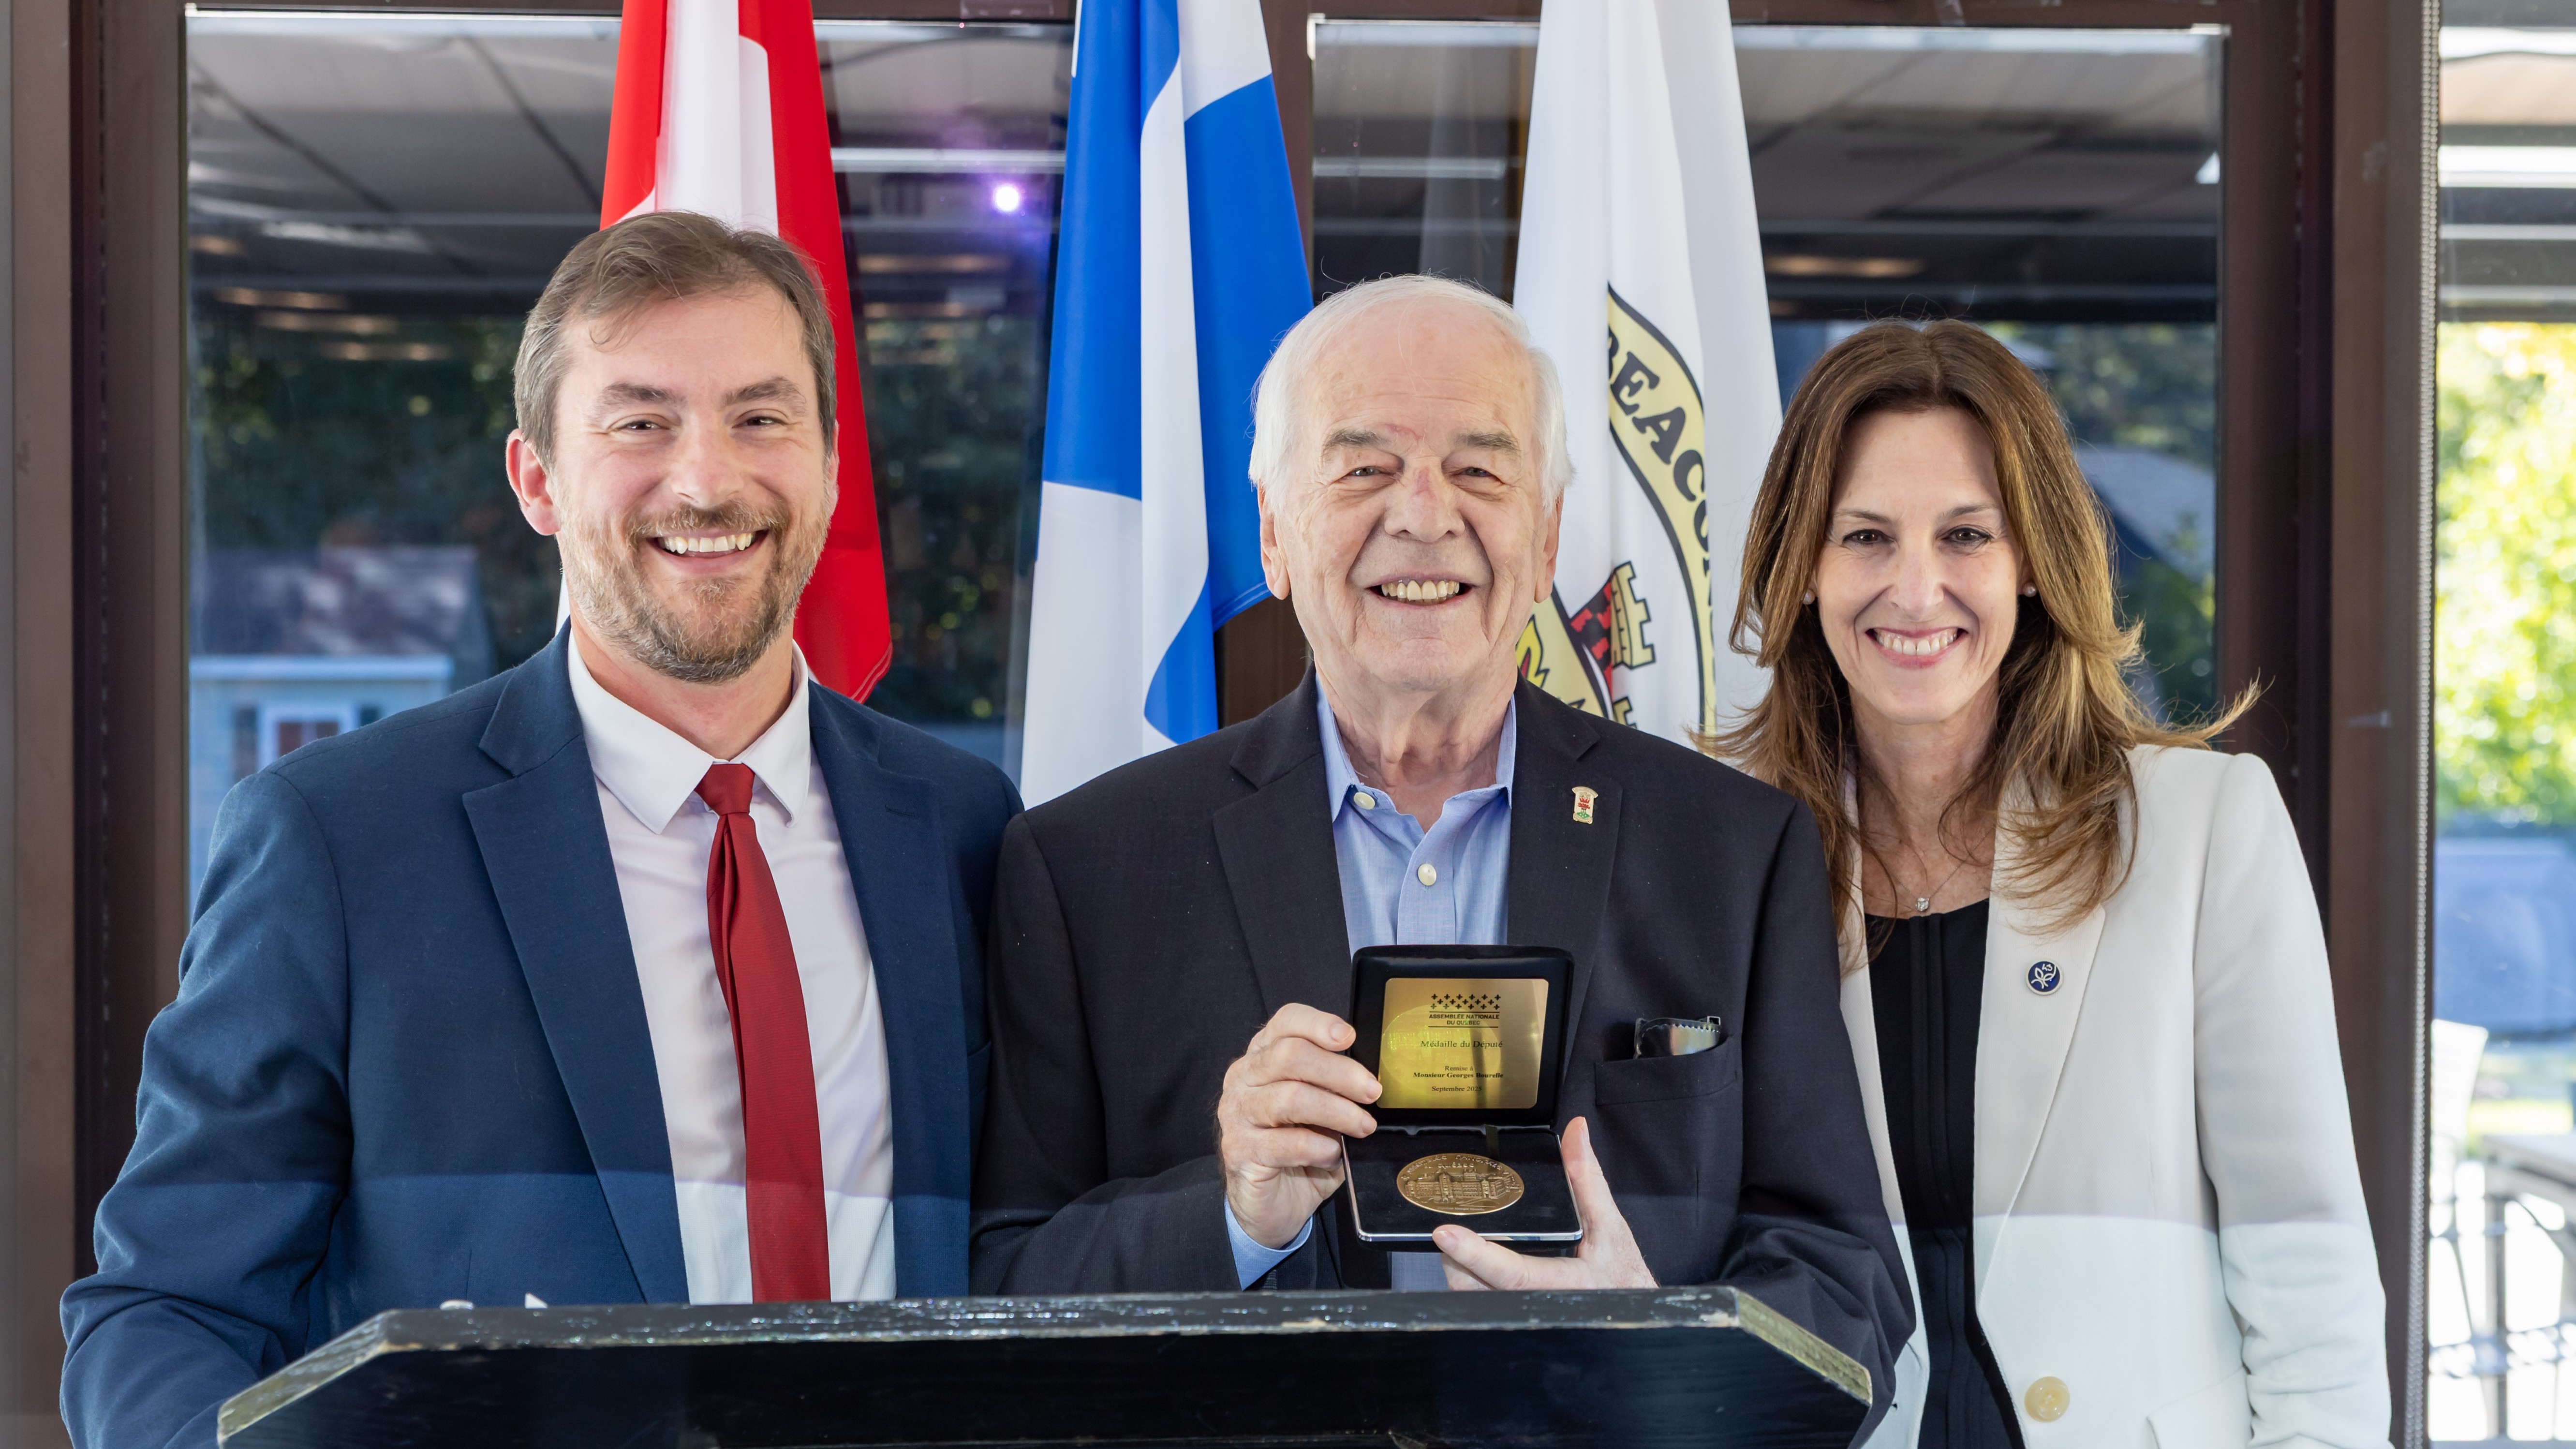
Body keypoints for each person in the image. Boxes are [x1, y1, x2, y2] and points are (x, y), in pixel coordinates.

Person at [59, 212, 1018, 1449]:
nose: (707, 479)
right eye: (640, 422)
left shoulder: (965, 831)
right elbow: (169, 1308)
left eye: (762, 417)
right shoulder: (338, 840)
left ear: (831, 465)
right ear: (537, 481)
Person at [970, 274, 1911, 1420]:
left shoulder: (1733, 847)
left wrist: (1662, 1346)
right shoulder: (1084, 868)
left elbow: (1846, 1282)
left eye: (1478, 467)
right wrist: (1229, 1210)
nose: (1423, 516)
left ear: (1549, 529)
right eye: (1363, 468)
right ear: (1273, 532)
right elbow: (1001, 1291)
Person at [1712, 320, 2387, 1449]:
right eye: (1864, 536)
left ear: (2031, 560)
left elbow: (2301, 1253)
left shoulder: (2202, 829)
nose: (1913, 587)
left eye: (1964, 534)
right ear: (1804, 568)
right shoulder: (1726, 850)